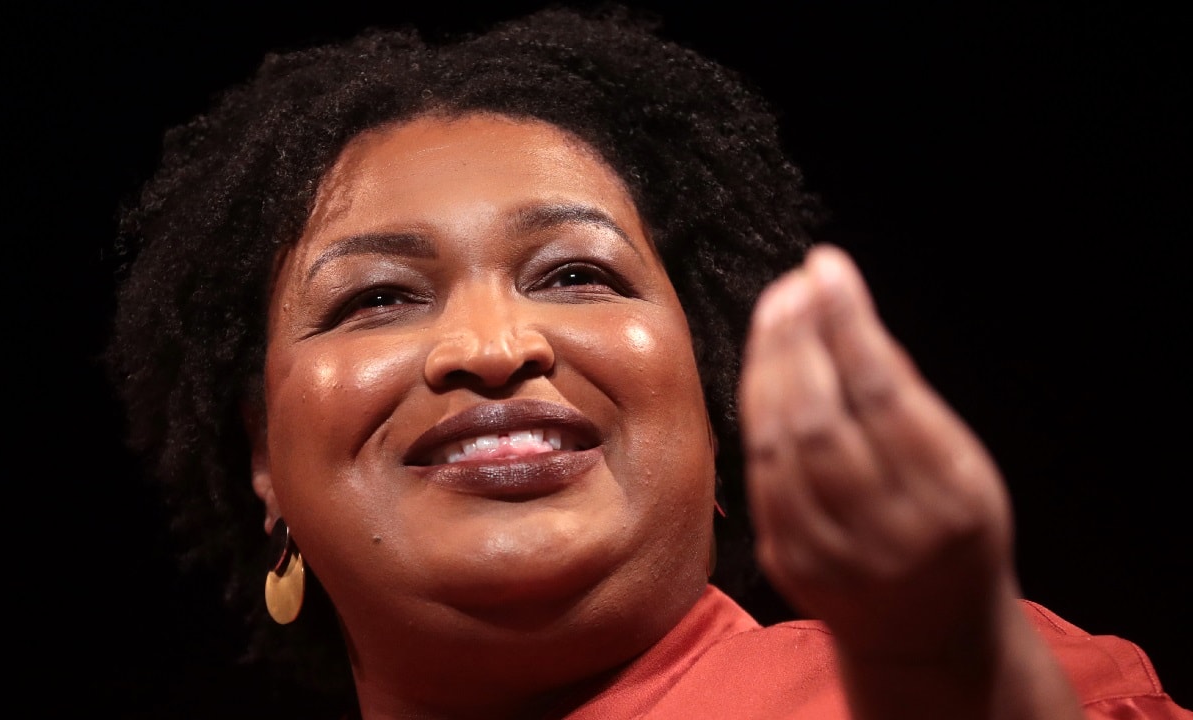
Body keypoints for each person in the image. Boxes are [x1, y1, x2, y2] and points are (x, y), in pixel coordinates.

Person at [107, 6, 1188, 718]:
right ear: (261, 459)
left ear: (711, 398)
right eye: (376, 297)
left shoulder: (974, 685)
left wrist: (951, 671)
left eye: (576, 275)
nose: (492, 348)